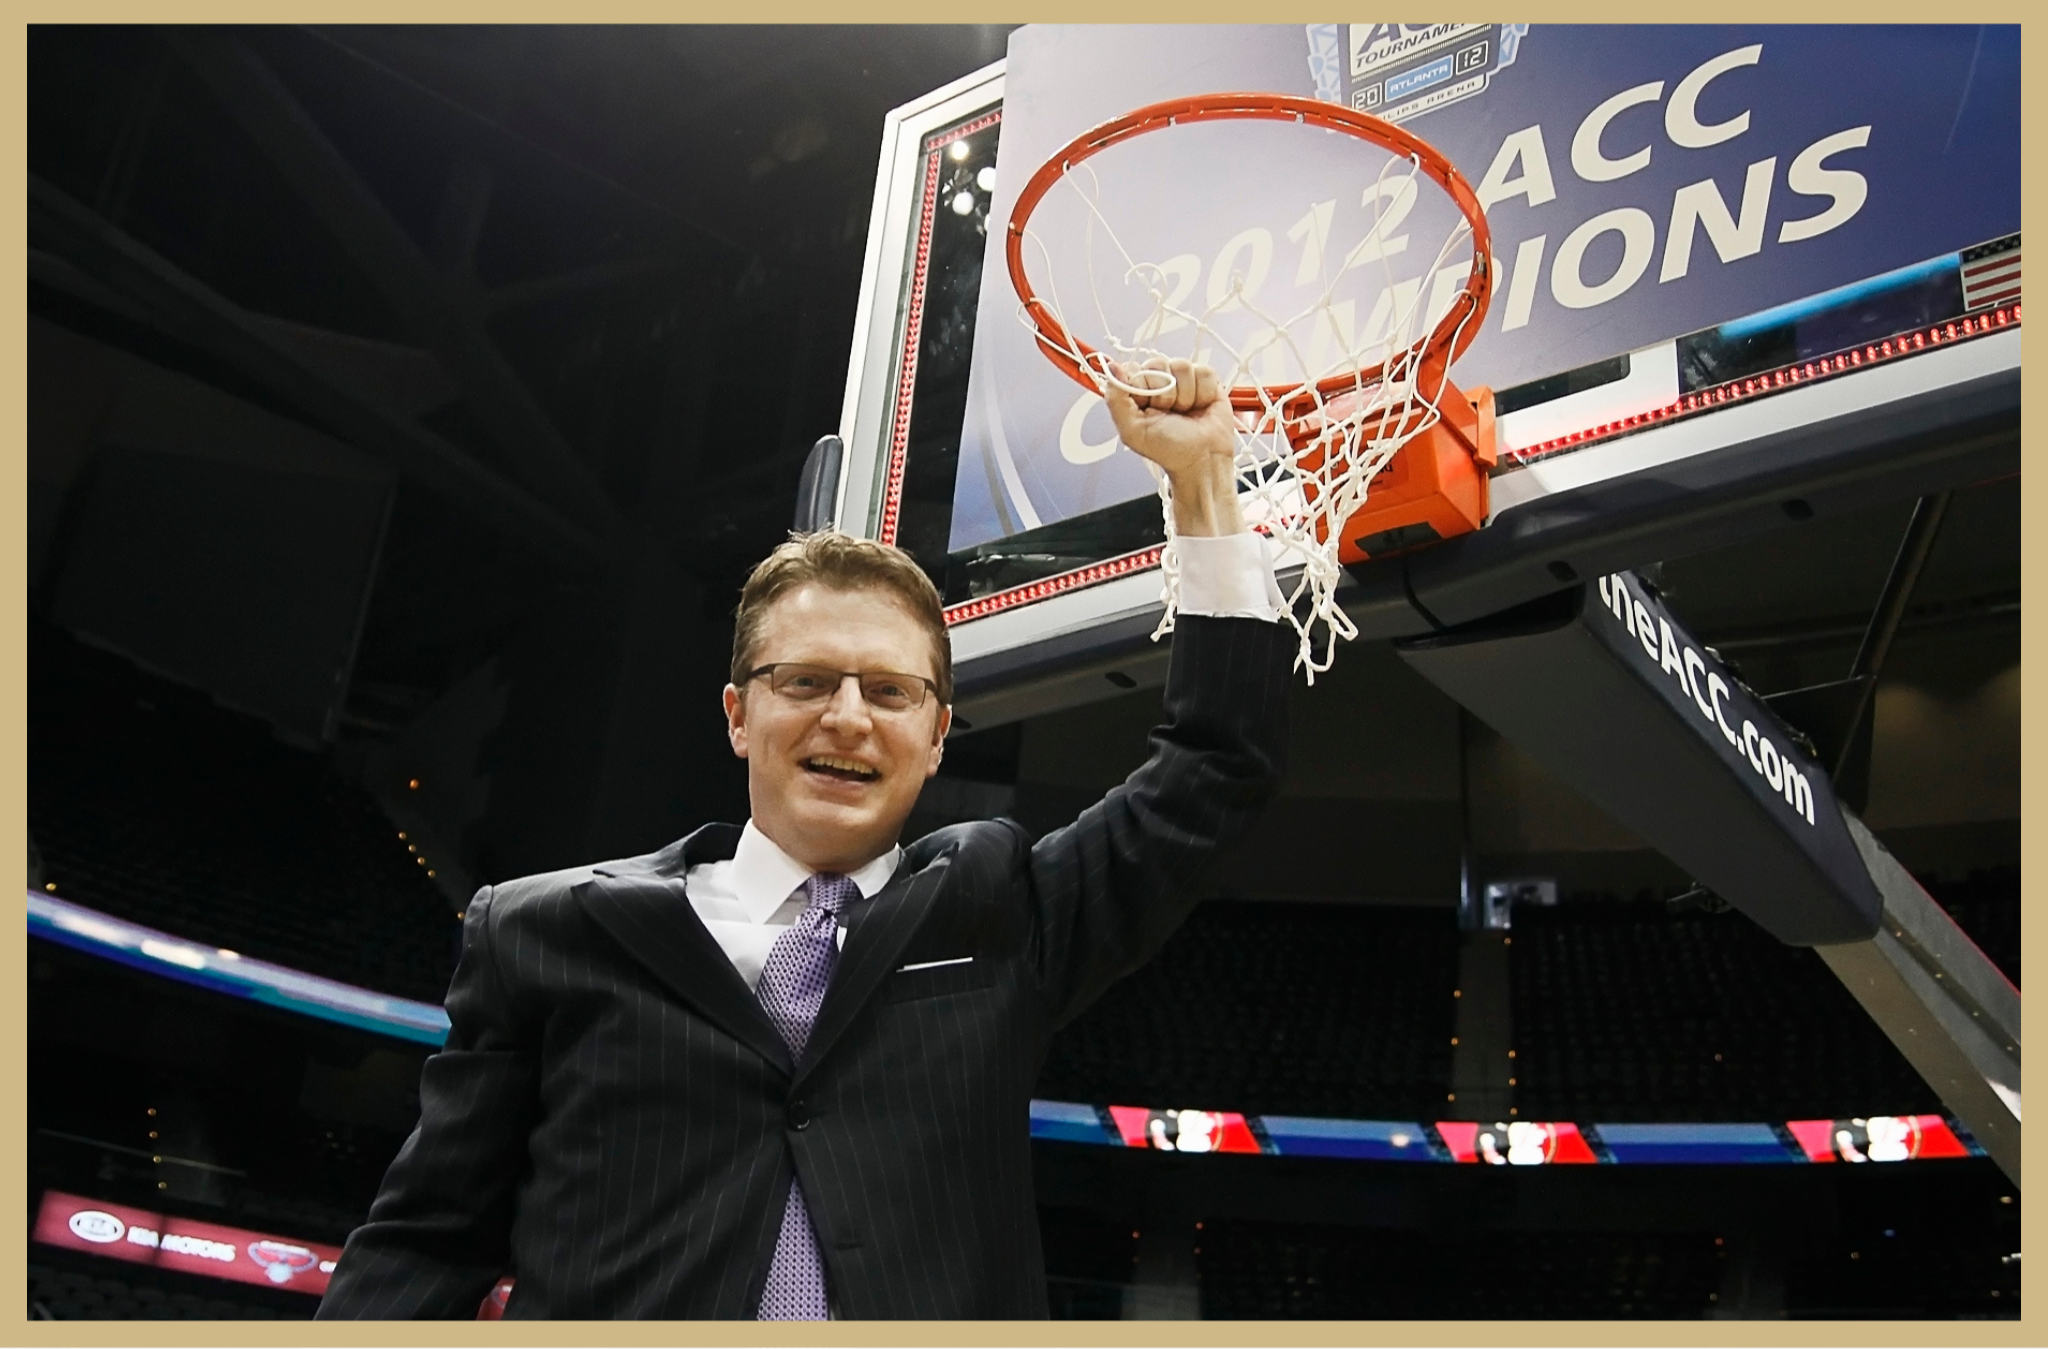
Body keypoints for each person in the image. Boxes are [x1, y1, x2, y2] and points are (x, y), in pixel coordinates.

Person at [318, 358, 1294, 1319]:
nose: (848, 716)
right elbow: (426, 1243)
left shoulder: (999, 908)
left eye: (888, 690)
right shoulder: (543, 930)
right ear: (739, 714)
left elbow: (1212, 766)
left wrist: (1201, 481)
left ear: (935, 732)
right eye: (805, 681)